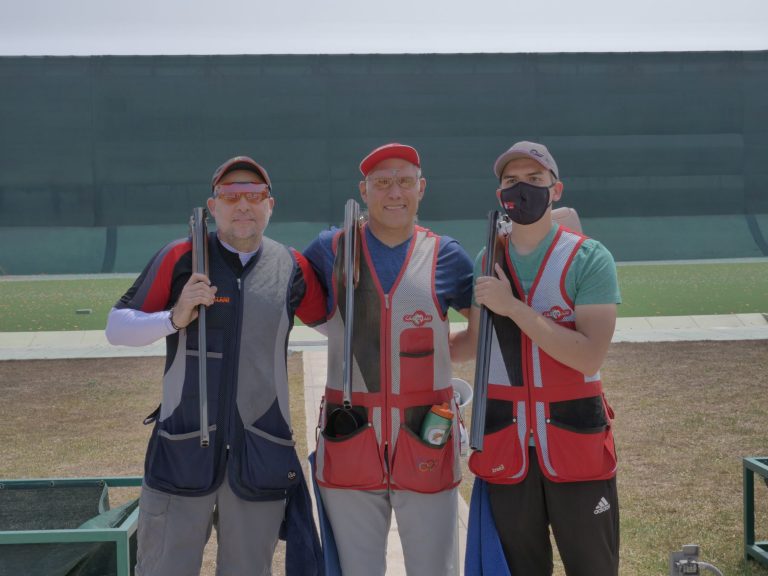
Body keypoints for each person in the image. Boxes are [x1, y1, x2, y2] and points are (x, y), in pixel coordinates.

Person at [105, 156, 326, 576]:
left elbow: (336, 324)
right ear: (213, 206)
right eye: (230, 195)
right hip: (181, 451)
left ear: (270, 205)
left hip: (260, 453)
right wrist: (174, 317)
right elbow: (117, 326)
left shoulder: (292, 267)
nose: (242, 204)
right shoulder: (182, 256)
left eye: (253, 195)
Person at [303, 143, 474, 576]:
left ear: (422, 188)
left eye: (404, 181)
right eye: (382, 182)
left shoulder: (447, 255)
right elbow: (296, 303)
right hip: (351, 436)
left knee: (435, 568)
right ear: (364, 190)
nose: (393, 192)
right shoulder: (330, 249)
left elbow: (483, 333)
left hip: (424, 439)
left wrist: (438, 352)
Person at [454, 141, 621, 576]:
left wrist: (514, 308)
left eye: (534, 180)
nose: (522, 189)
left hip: (575, 445)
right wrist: (405, 339)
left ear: (556, 189)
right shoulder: (487, 259)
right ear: (499, 196)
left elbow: (589, 355)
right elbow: (474, 343)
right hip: (506, 446)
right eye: (512, 181)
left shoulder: (589, 257)